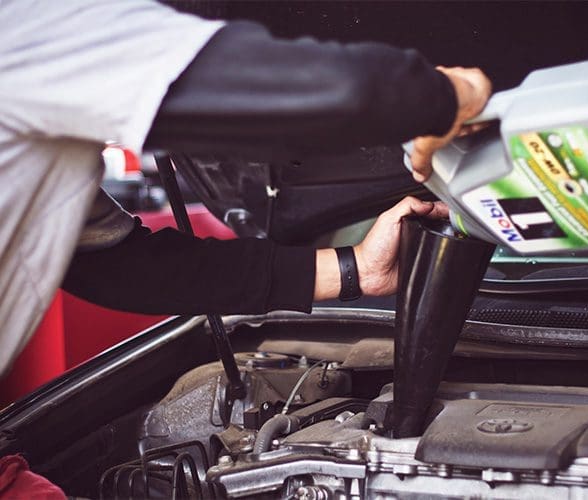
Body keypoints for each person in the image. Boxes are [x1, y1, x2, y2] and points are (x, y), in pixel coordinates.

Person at [0, 0, 491, 376]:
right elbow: (335, 90)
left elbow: (113, 265)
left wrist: (354, 269)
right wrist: (452, 94)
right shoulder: (28, 26)